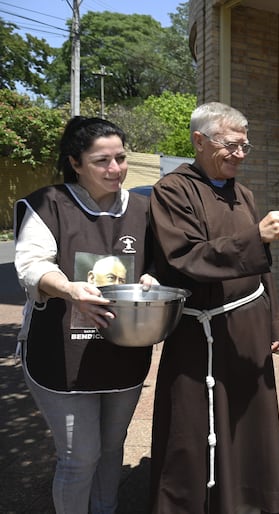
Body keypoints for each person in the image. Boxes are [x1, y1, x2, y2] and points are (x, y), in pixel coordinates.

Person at [149, 102, 279, 514]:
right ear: (199, 141)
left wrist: (273, 323)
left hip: (249, 327)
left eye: (245, 147)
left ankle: (249, 503)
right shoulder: (172, 191)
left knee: (251, 422)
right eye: (232, 145)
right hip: (201, 332)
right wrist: (256, 236)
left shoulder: (243, 193)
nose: (240, 154)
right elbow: (185, 257)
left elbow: (262, 268)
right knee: (191, 426)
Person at [14, 116, 156, 513]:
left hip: (122, 352)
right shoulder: (50, 204)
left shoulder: (143, 210)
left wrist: (151, 277)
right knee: (80, 457)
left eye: (121, 158)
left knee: (112, 450)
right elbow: (31, 265)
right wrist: (70, 289)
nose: (116, 169)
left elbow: (161, 264)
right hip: (60, 356)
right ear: (76, 163)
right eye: (102, 161)